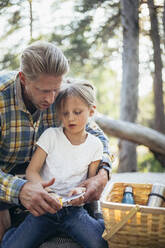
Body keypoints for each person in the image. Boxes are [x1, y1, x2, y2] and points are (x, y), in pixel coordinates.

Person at [0, 41, 111, 243]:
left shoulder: (64, 93)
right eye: (44, 91)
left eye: (55, 90)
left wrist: (102, 175)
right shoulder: (1, 97)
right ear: (23, 79)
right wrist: (20, 189)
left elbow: (99, 138)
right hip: (6, 181)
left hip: (59, 196)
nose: (52, 100)